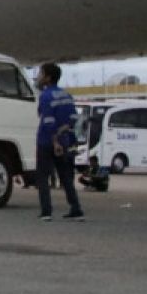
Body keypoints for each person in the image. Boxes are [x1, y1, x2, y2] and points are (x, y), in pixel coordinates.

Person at [34, 63, 84, 223]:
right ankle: (76, 208)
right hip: (64, 140)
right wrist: (63, 135)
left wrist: (54, 140)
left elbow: (48, 121)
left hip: (47, 141)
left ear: (48, 77)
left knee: (42, 176)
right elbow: (74, 119)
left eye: (41, 74)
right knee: (66, 177)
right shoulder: (66, 95)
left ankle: (46, 211)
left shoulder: (46, 96)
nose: (38, 77)